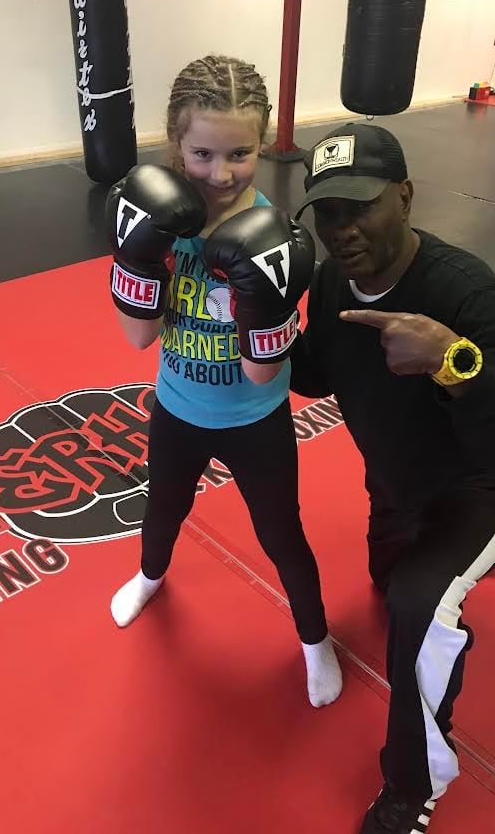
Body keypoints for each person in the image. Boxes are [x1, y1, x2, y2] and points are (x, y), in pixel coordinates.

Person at [285, 122, 495, 831]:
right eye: (328, 214)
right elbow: (315, 375)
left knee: (415, 604)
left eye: (360, 206)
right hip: (399, 483)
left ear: (404, 196)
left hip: (486, 481)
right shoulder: (328, 279)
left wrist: (452, 363)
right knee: (385, 577)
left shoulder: (465, 293)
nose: (342, 230)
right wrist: (263, 323)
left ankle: (411, 785)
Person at [107, 55, 342, 709]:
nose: (221, 172)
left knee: (280, 534)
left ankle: (314, 637)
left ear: (262, 143)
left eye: (240, 152)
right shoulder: (160, 221)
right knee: (163, 510)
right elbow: (139, 336)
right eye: (202, 153)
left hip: (254, 417)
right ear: (175, 144)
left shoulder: (271, 235)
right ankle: (151, 576)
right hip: (178, 409)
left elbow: (261, 368)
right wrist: (136, 255)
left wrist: (261, 302)